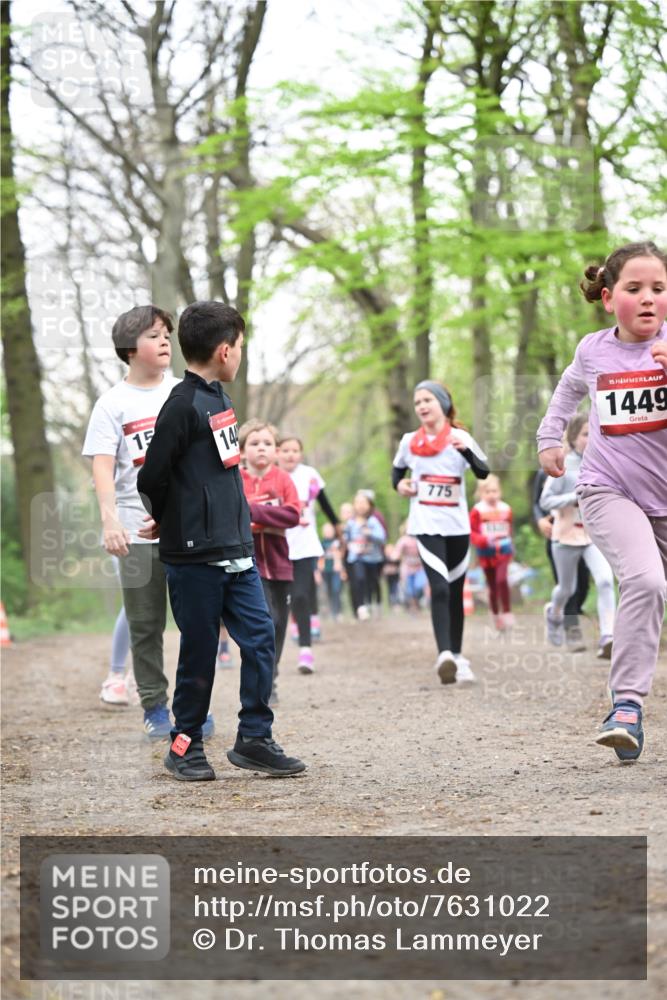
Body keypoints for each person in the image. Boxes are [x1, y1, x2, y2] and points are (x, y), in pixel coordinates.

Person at [137, 301, 305, 780]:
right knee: (199, 653)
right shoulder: (182, 405)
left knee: (260, 641)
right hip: (194, 559)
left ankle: (254, 737)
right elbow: (152, 478)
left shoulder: (221, 402)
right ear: (225, 350)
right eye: (241, 348)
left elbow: (223, 476)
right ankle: (184, 745)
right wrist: (171, 522)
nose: (241, 357)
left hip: (236, 552)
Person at [537, 241, 667, 762]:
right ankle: (627, 708)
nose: (648, 299)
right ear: (610, 298)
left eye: (658, 289)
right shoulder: (594, 350)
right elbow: (568, 391)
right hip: (608, 489)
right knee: (645, 579)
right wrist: (550, 437)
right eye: (634, 289)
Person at [82, 305, 185, 738]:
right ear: (129, 349)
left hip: (186, 530)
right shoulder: (112, 404)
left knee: (197, 622)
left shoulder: (184, 393)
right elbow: (103, 468)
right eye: (153, 336)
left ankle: (191, 707)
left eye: (167, 334)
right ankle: (156, 708)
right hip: (135, 531)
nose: (165, 341)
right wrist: (110, 523)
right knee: (146, 625)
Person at [392, 380, 489, 684]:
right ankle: (444, 654)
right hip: (425, 525)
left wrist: (468, 453)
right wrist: (401, 485)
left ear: (443, 404)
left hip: (457, 526)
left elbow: (484, 471)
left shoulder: (460, 437)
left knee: (457, 592)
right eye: (417, 401)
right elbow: (397, 473)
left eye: (427, 400)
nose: (421, 406)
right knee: (441, 588)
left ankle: (458, 658)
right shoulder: (409, 441)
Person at [540, 416, 615, 658]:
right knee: (566, 588)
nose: (591, 438)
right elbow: (545, 501)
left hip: (594, 535)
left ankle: (608, 637)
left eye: (594, 432)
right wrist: (572, 498)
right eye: (585, 434)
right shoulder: (563, 465)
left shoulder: (605, 463)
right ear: (572, 438)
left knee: (605, 580)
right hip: (565, 535)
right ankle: (553, 613)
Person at [239, 419, 301, 704]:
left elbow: (292, 516)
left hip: (279, 561)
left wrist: (254, 512)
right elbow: (232, 515)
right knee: (263, 621)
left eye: (267, 444)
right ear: (242, 451)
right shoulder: (236, 479)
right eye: (254, 443)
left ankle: (271, 676)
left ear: (276, 451)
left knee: (278, 623)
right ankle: (261, 681)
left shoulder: (283, 480)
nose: (261, 449)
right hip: (249, 562)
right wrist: (264, 516)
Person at [276, 436, 339, 673]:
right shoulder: (271, 475)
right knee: (279, 603)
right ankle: (274, 659)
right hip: (277, 544)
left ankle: (305, 651)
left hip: (304, 545)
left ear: (301, 454)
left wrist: (338, 526)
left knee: (301, 596)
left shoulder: (309, 474)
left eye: (295, 450)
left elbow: (324, 503)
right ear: (277, 452)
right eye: (285, 450)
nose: (290, 455)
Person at [532, 466, 590, 650]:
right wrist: (540, 520)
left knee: (583, 585)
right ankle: (572, 632)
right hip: (559, 535)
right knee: (567, 587)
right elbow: (537, 503)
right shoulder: (544, 472)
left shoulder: (584, 468)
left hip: (583, 535)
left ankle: (558, 610)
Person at [469, 474, 514, 631]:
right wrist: (483, 540)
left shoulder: (506, 509)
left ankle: (507, 611)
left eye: (494, 491)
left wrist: (510, 546)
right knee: (492, 585)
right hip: (486, 553)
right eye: (487, 492)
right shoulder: (477, 511)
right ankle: (495, 614)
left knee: (502, 580)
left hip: (504, 550)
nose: (491, 495)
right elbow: (472, 533)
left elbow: (509, 529)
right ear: (481, 493)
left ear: (499, 492)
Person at [343, 491, 387, 620]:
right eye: (358, 503)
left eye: (363, 503)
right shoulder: (351, 523)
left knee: (373, 582)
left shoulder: (374, 521)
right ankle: (361, 607)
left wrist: (370, 533)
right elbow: (347, 539)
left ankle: (375, 605)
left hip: (373, 559)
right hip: (356, 558)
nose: (361, 506)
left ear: (370, 505)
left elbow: (382, 538)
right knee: (359, 579)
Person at [391, 523, 427, 614]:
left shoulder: (421, 538)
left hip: (419, 567)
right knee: (409, 588)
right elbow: (397, 551)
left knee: (419, 585)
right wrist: (394, 556)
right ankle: (413, 606)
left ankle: (418, 602)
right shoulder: (403, 540)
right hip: (407, 568)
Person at [318, 523, 345, 621]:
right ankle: (330, 612)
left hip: (336, 571)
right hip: (325, 571)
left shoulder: (338, 543)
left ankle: (338, 612)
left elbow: (342, 555)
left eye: (330, 530)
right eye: (326, 531)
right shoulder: (321, 543)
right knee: (327, 591)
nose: (328, 533)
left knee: (336, 590)